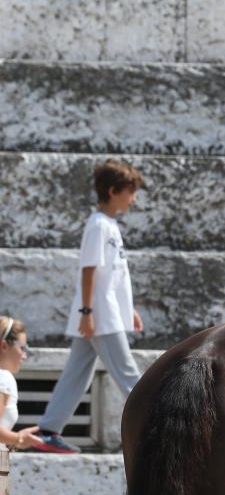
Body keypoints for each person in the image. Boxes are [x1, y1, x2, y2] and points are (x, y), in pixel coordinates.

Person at [27, 158, 145, 454]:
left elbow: (114, 275)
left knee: (77, 373)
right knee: (128, 374)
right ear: (112, 190)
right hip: (100, 316)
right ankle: (157, 424)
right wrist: (87, 313)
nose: (134, 198)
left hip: (107, 312)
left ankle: (49, 429)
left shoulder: (109, 225)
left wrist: (128, 308)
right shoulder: (97, 225)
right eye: (129, 191)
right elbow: (89, 270)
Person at [0, 316, 46, 495]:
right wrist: (19, 439)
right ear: (4, 346)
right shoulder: (4, 378)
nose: (25, 356)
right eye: (23, 348)